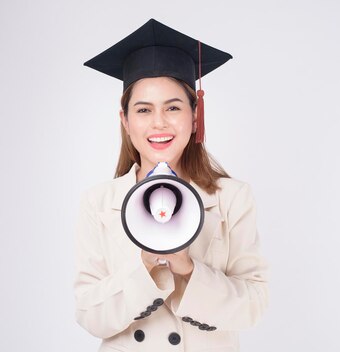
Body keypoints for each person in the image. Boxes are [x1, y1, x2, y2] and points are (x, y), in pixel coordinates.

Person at [74, 19, 268, 352]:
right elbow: (89, 314)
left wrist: (189, 269)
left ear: (195, 116)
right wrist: (145, 265)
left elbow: (254, 305)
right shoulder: (98, 203)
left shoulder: (232, 197)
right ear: (125, 120)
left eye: (173, 107)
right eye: (143, 110)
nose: (159, 122)